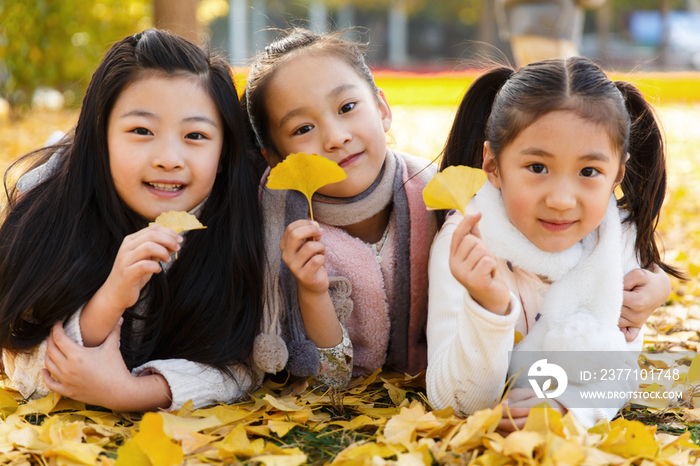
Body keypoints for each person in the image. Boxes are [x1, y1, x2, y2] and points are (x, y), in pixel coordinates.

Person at [0, 29, 265, 412]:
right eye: (141, 131)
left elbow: (245, 362)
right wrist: (111, 297)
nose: (169, 158)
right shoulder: (55, 212)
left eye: (195, 135)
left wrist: (129, 393)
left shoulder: (241, 220)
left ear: (224, 151)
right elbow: (22, 364)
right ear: (99, 136)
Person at [426, 57, 680, 429]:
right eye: (538, 168)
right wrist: (489, 309)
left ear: (617, 175)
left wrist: (568, 409)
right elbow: (454, 401)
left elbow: (618, 372)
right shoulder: (465, 243)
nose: (561, 199)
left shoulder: (616, 241)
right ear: (493, 166)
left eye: (588, 172)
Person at [242, 28, 436, 387]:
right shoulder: (276, 230)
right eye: (303, 129)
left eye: (347, 107)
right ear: (274, 158)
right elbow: (327, 381)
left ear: (382, 109)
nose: (335, 138)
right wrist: (312, 293)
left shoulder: (436, 197)